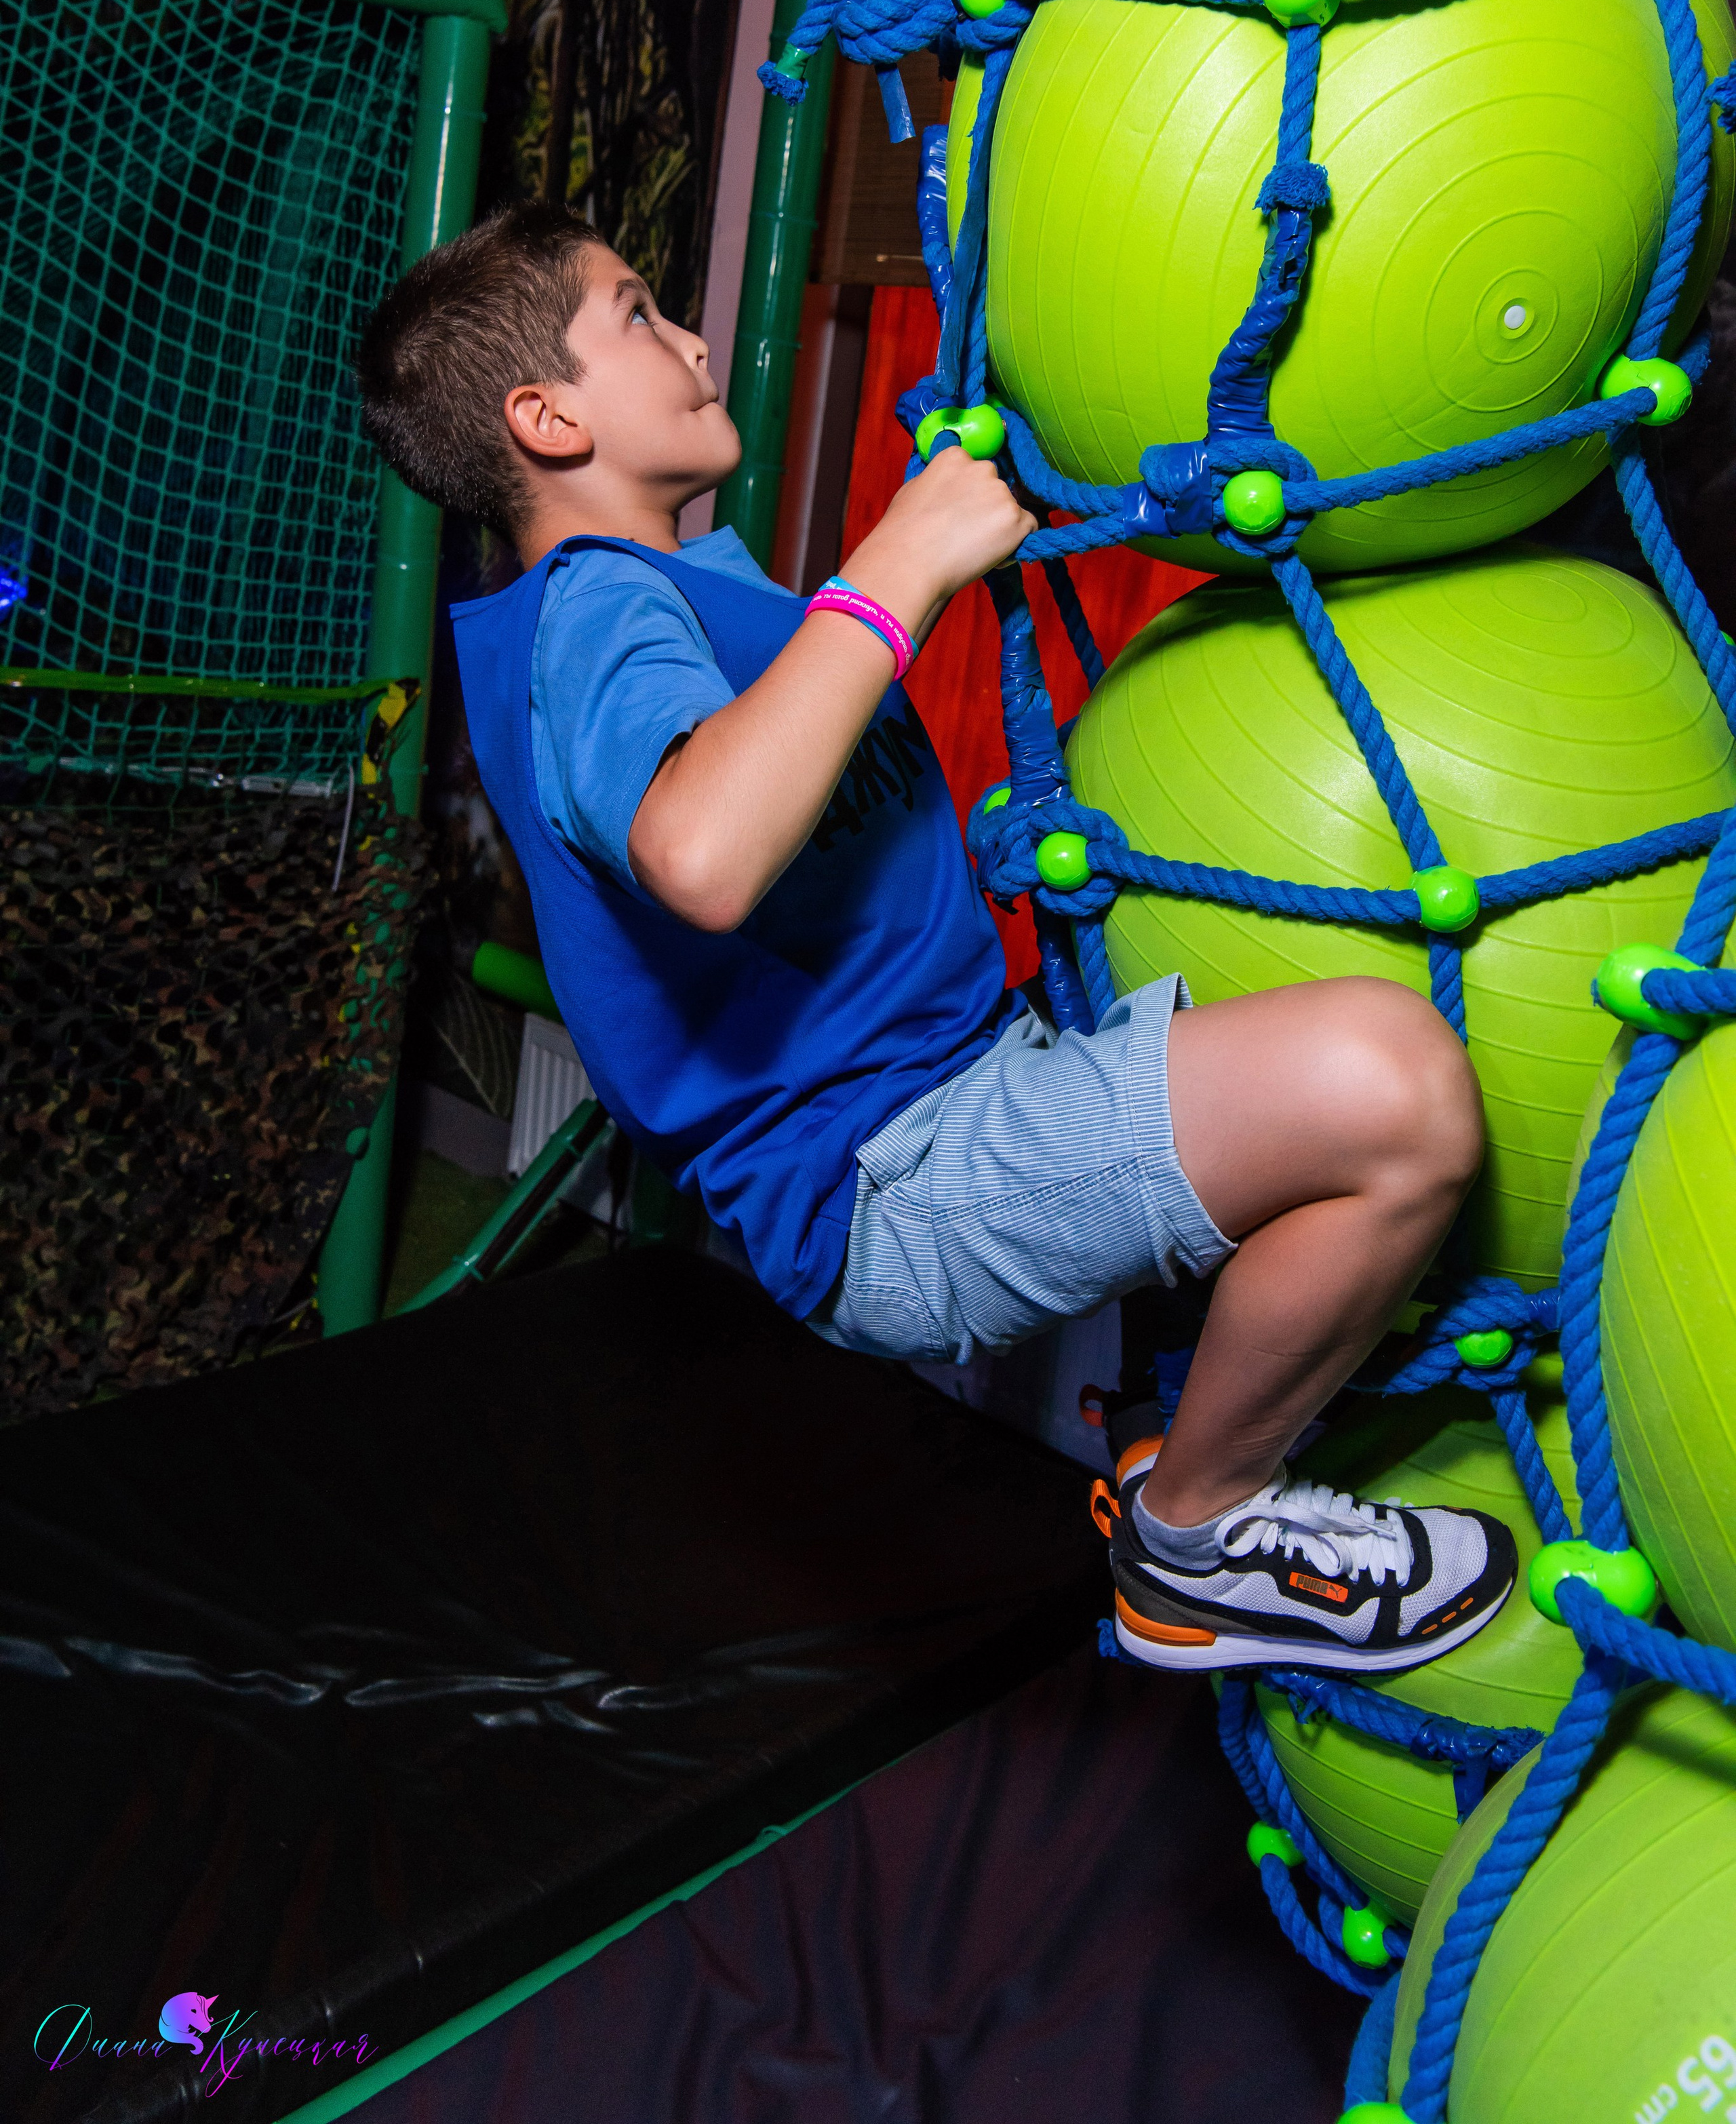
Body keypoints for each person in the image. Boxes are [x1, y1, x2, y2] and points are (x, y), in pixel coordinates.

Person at [357, 200, 1512, 1678]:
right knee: (1395, 1090)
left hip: (958, 1085)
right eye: (640, 314)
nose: (694, 338)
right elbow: (699, 853)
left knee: (1299, 1030)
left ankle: (1172, 1407)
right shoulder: (588, 615)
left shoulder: (685, 582)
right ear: (544, 417)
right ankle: (1198, 1533)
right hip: (892, 1176)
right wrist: (892, 567)